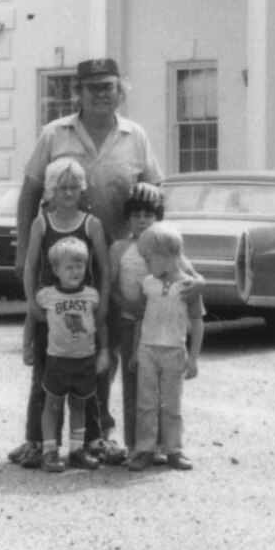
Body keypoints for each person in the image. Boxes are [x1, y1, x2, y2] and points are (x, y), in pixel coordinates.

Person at [11, 59, 165, 466]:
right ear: (76, 92)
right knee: (52, 348)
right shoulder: (54, 134)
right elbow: (28, 194)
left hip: (118, 262)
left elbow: (154, 196)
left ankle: (97, 437)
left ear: (121, 91)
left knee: (106, 349)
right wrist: (23, 247)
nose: (101, 93)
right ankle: (37, 440)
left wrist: (155, 255)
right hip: (59, 264)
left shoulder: (137, 137)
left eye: (109, 86)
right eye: (92, 87)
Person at [8, 155, 116, 468]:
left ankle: (89, 442)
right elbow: (30, 266)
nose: (68, 193)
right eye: (62, 187)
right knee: (44, 377)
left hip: (84, 311)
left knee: (89, 379)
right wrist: (31, 303)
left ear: (82, 190)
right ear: (51, 191)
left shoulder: (91, 224)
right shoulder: (42, 222)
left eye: (73, 187)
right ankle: (40, 442)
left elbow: (104, 269)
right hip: (49, 311)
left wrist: (104, 303)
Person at [124, 221, 204, 472]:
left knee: (172, 404)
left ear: (168, 256)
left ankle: (174, 449)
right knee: (145, 402)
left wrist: (193, 358)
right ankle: (145, 449)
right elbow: (140, 317)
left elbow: (198, 322)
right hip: (147, 349)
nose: (147, 265)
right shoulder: (148, 283)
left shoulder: (188, 286)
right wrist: (136, 350)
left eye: (149, 259)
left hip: (173, 351)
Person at [35, 236, 108, 473]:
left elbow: (100, 324)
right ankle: (49, 450)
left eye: (80, 266)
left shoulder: (91, 295)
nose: (75, 271)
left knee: (79, 405)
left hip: (84, 359)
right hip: (57, 360)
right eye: (69, 267)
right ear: (56, 269)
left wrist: (104, 351)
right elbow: (31, 318)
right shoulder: (46, 295)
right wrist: (26, 347)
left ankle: (76, 450)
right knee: (52, 405)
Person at [109, 181, 165, 452]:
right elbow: (111, 286)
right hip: (129, 324)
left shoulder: (165, 246)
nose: (142, 221)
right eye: (136, 215)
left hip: (160, 327)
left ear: (158, 218)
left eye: (148, 215)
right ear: (128, 218)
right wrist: (128, 306)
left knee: (160, 387)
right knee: (132, 386)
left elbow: (183, 275)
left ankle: (163, 444)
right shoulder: (119, 248)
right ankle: (135, 446)